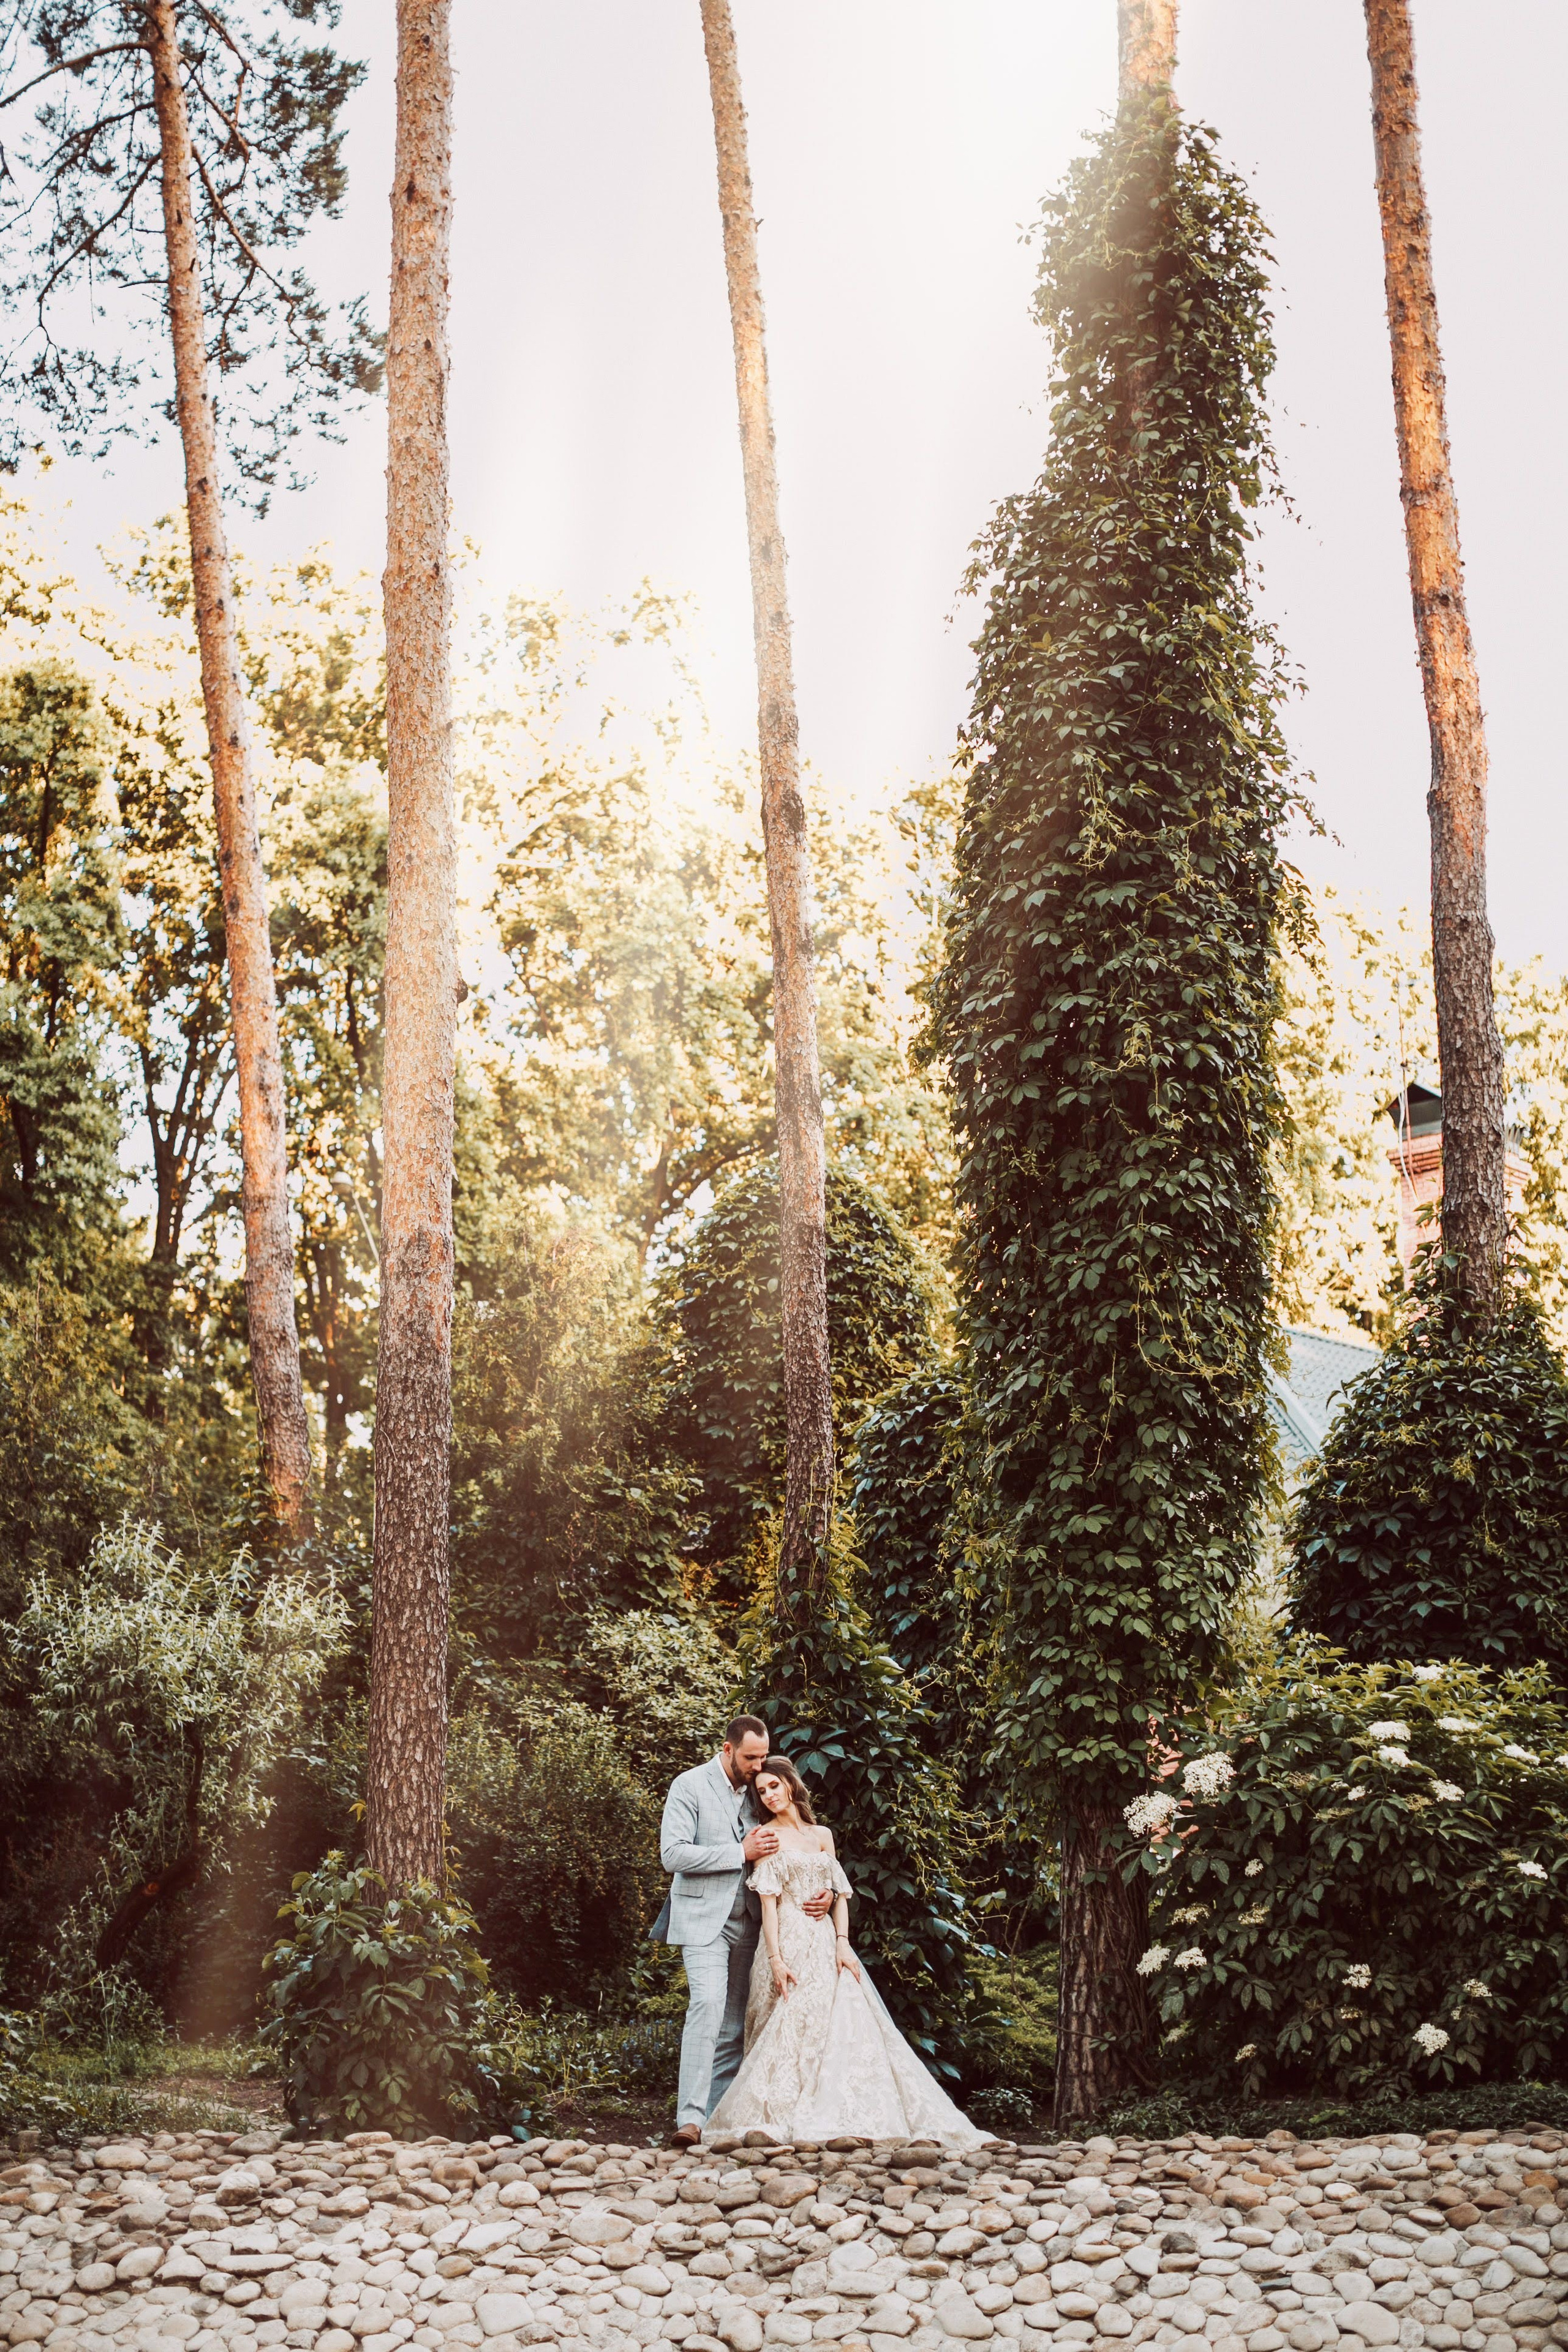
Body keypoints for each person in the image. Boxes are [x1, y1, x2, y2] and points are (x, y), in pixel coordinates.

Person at [705, 1753, 985, 2146]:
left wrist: (843, 1943)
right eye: (761, 1791)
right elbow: (768, 1906)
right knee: (790, 2023)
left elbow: (838, 1895)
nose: (769, 1795)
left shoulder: (822, 1835)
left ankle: (842, 2113)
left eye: (774, 1786)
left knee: (840, 2020)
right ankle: (780, 2117)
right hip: (786, 1939)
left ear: (791, 1784)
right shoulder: (766, 1837)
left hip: (824, 1941)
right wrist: (775, 1959)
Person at [654, 1714, 835, 2147]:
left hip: (755, 1922)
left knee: (737, 2024)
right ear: (728, 1749)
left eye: (763, 1757)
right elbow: (673, 1855)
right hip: (704, 1920)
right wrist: (740, 1851)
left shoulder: (761, 1789)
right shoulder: (690, 1786)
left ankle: (719, 2120)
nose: (759, 1766)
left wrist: (826, 1890)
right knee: (708, 2006)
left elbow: (799, 1842)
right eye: (751, 1758)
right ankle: (690, 2120)